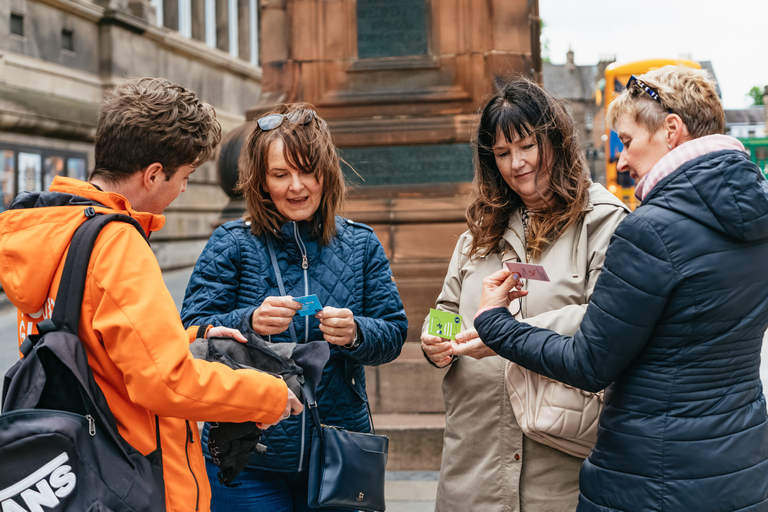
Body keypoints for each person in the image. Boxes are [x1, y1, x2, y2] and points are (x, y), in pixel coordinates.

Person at [459, 66, 768, 511]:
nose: (621, 162)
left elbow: (588, 363)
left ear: (671, 131)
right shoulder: (756, 220)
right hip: (741, 466)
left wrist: (495, 324)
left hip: (653, 476)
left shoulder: (650, 231)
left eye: (626, 140)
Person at [0, 77, 303, 512]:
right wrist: (269, 395)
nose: (183, 189)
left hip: (84, 468)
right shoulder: (116, 245)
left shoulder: (54, 228)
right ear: (154, 174)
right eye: (184, 176)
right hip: (137, 472)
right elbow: (165, 382)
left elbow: (96, 347)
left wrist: (187, 339)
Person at [180, 102, 408, 511]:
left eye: (307, 171)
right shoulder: (231, 243)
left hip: (338, 450)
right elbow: (192, 332)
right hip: (246, 452)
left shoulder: (361, 244)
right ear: (261, 181)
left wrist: (357, 333)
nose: (296, 186)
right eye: (280, 174)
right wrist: (247, 320)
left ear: (327, 172)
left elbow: (393, 332)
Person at [420, 77, 629, 511]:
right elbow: (445, 308)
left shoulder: (603, 222)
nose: (516, 164)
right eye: (501, 153)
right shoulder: (476, 235)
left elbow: (606, 321)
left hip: (560, 464)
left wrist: (504, 332)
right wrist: (435, 338)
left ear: (555, 141)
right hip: (473, 464)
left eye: (527, 146)